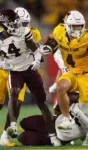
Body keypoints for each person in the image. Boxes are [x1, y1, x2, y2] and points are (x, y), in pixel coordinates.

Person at [0, 9, 60, 146]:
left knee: (41, 103)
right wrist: (2, 64)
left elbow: (36, 50)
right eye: (14, 23)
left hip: (29, 70)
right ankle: (12, 126)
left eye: (21, 22)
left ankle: (53, 136)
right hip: (13, 71)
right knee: (13, 95)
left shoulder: (26, 32)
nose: (19, 25)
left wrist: (37, 61)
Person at [0, 7, 42, 147]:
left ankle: (5, 135)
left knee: (16, 101)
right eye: (19, 23)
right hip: (2, 70)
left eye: (25, 24)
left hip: (19, 70)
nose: (21, 27)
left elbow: (36, 51)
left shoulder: (32, 32)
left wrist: (37, 57)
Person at [17, 95, 88, 146]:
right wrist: (57, 110)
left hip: (59, 137)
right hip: (53, 121)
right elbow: (67, 96)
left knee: (21, 138)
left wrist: (78, 112)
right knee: (23, 122)